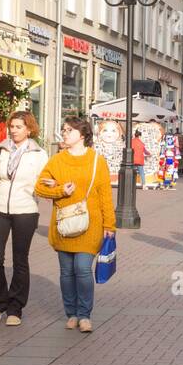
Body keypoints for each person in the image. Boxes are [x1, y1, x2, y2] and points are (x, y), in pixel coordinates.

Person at [34, 117, 115, 334]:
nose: (65, 133)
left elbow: (105, 195)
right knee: (66, 272)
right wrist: (60, 191)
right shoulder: (57, 161)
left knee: (82, 268)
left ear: (82, 135)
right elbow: (39, 187)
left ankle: (85, 315)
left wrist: (110, 224)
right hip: (64, 224)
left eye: (69, 130)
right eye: (64, 129)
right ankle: (71, 313)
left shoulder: (98, 161)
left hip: (91, 224)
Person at [0, 111, 47, 326]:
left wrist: (51, 188)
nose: (14, 130)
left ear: (29, 129)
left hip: (25, 209)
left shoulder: (39, 154)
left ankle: (15, 307)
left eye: (18, 127)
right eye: (12, 126)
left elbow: (44, 180)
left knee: (20, 259)